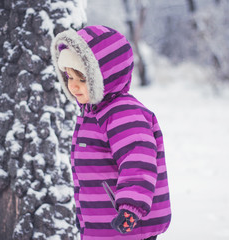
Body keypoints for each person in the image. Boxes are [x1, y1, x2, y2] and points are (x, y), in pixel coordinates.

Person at [51, 25, 171, 240]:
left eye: (83, 79)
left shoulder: (124, 114)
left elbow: (138, 162)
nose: (74, 87)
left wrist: (130, 208)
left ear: (106, 75)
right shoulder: (93, 113)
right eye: (69, 77)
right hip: (105, 226)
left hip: (130, 225)